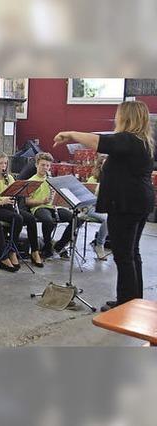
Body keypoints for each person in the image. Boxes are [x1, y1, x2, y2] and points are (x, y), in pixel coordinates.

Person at [53, 100, 154, 312]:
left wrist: (71, 133)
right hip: (139, 202)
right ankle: (133, 300)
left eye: (118, 114)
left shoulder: (128, 140)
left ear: (126, 117)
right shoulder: (142, 141)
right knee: (132, 252)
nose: (115, 118)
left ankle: (126, 304)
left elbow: (100, 141)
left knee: (124, 255)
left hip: (125, 205)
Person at [0, 151, 43, 267]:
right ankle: (11, 250)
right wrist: (1, 201)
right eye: (0, 164)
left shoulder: (9, 178)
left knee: (30, 219)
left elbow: (15, 192)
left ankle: (34, 251)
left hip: (8, 207)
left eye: (5, 163)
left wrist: (17, 193)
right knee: (17, 218)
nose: (3, 166)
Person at [25, 152, 76, 259]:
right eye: (43, 165)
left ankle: (59, 245)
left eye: (47, 165)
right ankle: (47, 247)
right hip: (39, 207)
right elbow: (27, 202)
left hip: (53, 207)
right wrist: (42, 201)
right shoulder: (31, 181)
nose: (45, 168)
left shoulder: (51, 180)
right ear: (36, 165)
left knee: (76, 219)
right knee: (48, 220)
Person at [83, 154, 109, 260]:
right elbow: (88, 199)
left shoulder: (113, 178)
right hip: (92, 207)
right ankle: (99, 245)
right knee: (108, 219)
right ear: (100, 165)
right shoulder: (93, 179)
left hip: (106, 207)